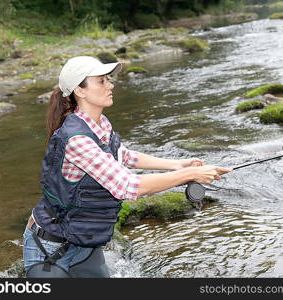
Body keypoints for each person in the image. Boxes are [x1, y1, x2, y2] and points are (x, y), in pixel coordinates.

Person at [23, 56, 232, 278]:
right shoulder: (77, 140)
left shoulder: (99, 124)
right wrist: (189, 174)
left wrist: (176, 164)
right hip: (51, 249)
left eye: (108, 80)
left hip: (84, 243)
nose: (110, 85)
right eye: (101, 81)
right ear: (80, 91)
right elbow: (128, 186)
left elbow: (124, 156)